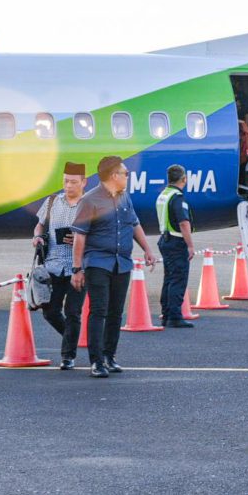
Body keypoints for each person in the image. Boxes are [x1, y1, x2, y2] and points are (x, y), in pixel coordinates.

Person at [71, 156, 157, 378]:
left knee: (116, 312)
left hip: (122, 262)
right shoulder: (89, 201)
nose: (128, 176)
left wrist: (147, 249)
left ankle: (110, 356)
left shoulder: (124, 197)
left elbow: (134, 224)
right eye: (125, 173)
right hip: (97, 262)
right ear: (113, 175)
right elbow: (79, 237)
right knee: (99, 310)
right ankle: (97, 361)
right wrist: (77, 269)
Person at [31, 162, 88, 370]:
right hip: (53, 265)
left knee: (73, 311)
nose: (68, 186)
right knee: (50, 311)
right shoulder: (52, 200)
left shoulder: (90, 204)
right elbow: (39, 224)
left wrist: (82, 240)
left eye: (73, 182)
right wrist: (37, 237)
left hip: (78, 267)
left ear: (84, 182)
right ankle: (70, 338)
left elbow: (99, 233)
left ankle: (67, 356)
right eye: (65, 181)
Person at [156, 164, 195, 328]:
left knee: (169, 278)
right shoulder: (177, 197)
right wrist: (190, 245)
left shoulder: (164, 195)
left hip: (165, 240)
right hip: (176, 241)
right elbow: (184, 223)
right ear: (184, 179)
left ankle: (166, 313)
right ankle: (175, 316)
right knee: (178, 278)